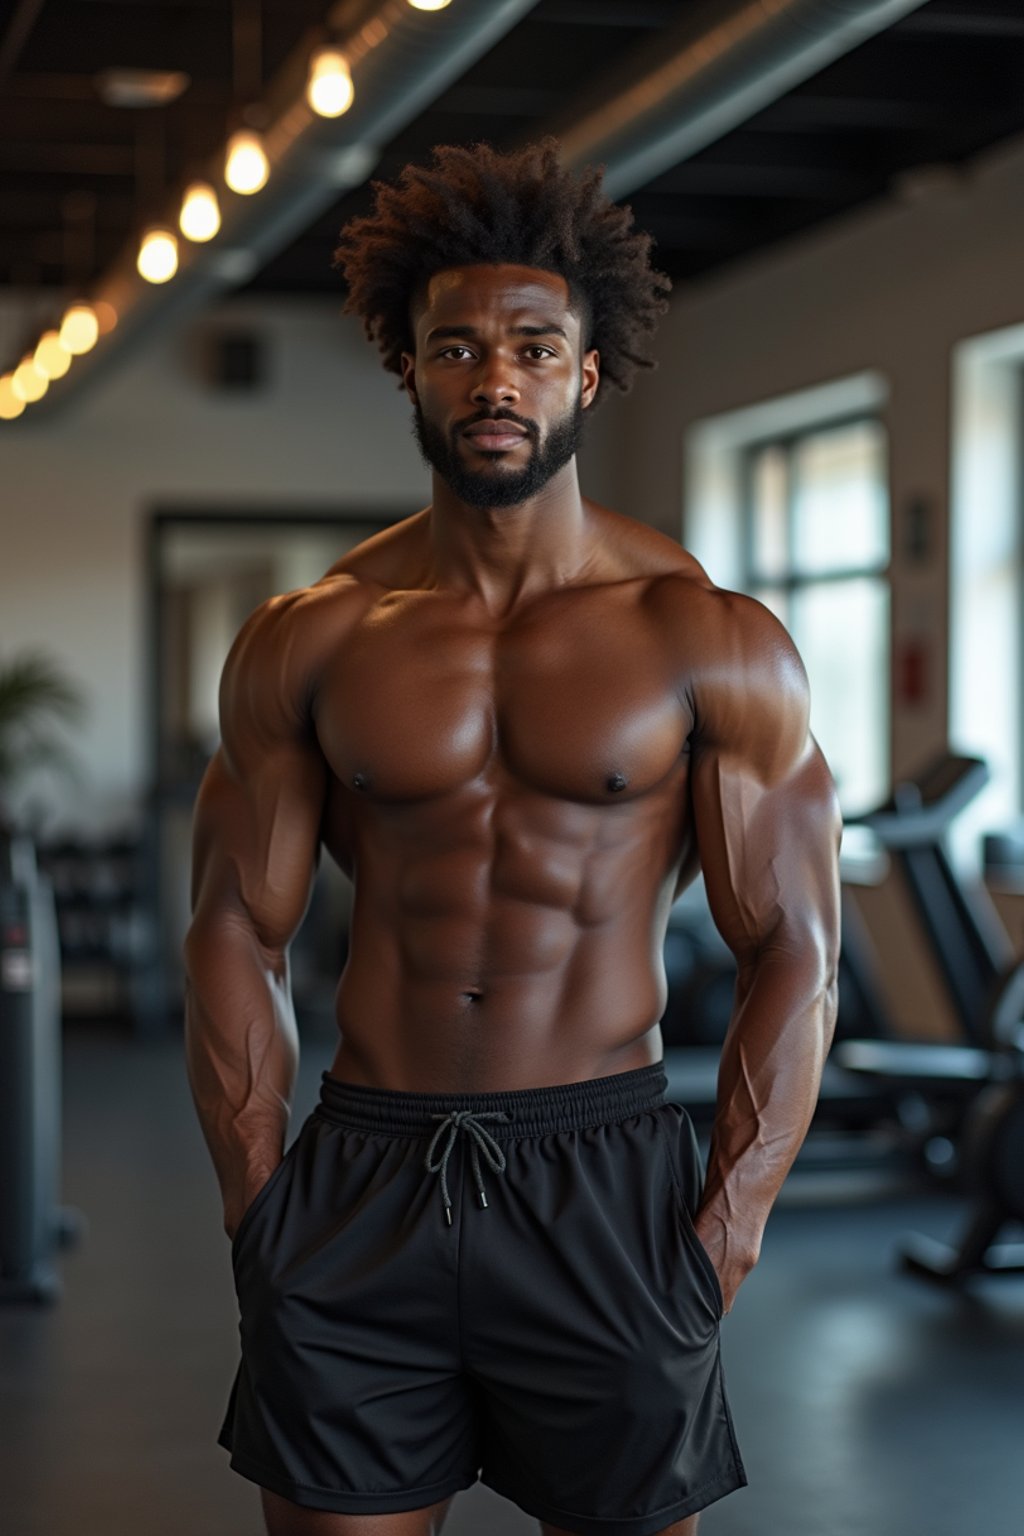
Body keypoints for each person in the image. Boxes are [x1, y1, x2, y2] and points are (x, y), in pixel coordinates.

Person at [183, 139, 842, 1536]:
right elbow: (238, 921)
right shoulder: (311, 640)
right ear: (407, 370)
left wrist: (719, 1240)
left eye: (535, 349)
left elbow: (796, 946)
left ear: (587, 375)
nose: (497, 377)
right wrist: (261, 1208)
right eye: (459, 348)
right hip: (363, 1174)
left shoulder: (704, 637)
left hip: (603, 1174)